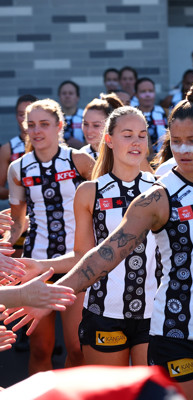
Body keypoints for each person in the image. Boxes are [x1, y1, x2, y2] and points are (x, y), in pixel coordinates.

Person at [7, 80, 193, 400]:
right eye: (178, 141)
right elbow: (105, 254)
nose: (183, 150)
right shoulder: (157, 197)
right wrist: (55, 291)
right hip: (178, 333)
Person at [19, 104, 158, 367]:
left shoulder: (161, 189)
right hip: (104, 313)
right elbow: (84, 256)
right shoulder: (89, 191)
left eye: (142, 134)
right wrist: (41, 265)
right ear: (109, 139)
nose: (137, 142)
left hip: (155, 313)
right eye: (127, 134)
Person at [4, 98, 95, 375]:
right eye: (31, 125)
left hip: (77, 263)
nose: (37, 131)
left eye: (44, 124)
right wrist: (5, 249)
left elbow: (101, 206)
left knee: (78, 348)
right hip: (35, 265)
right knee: (41, 348)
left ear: (60, 126)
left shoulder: (79, 159)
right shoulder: (18, 168)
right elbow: (18, 224)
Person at [0, 94, 37, 200]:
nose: (25, 120)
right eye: (22, 114)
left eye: (29, 114)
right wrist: (19, 193)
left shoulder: (52, 144)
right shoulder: (8, 148)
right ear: (16, 116)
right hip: (20, 212)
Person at [81, 93, 124, 160]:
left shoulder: (125, 153)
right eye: (85, 124)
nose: (89, 131)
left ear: (110, 125)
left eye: (96, 125)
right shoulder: (80, 155)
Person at [135, 77, 167, 154]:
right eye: (143, 91)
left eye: (150, 91)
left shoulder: (164, 112)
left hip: (162, 159)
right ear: (136, 95)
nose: (147, 95)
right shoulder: (132, 114)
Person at [58, 80, 85, 149]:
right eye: (64, 93)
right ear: (59, 97)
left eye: (71, 93)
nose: (67, 96)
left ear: (77, 97)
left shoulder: (85, 116)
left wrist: (82, 146)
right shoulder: (53, 117)